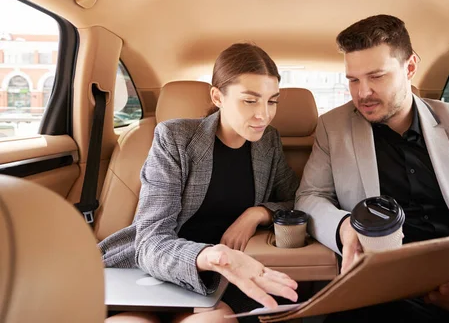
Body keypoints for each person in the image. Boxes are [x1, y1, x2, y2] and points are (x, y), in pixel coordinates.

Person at [295, 14, 449, 322]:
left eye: (377, 76)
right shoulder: (333, 128)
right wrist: (345, 227)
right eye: (353, 80)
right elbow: (309, 196)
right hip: (377, 284)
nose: (363, 93)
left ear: (410, 67)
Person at [100, 43, 300, 323]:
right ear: (218, 97)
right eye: (250, 100)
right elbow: (151, 241)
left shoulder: (268, 142)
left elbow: (297, 199)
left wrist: (257, 213)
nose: (263, 114)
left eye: (272, 101)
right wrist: (213, 255)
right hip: (158, 267)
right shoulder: (175, 137)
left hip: (224, 279)